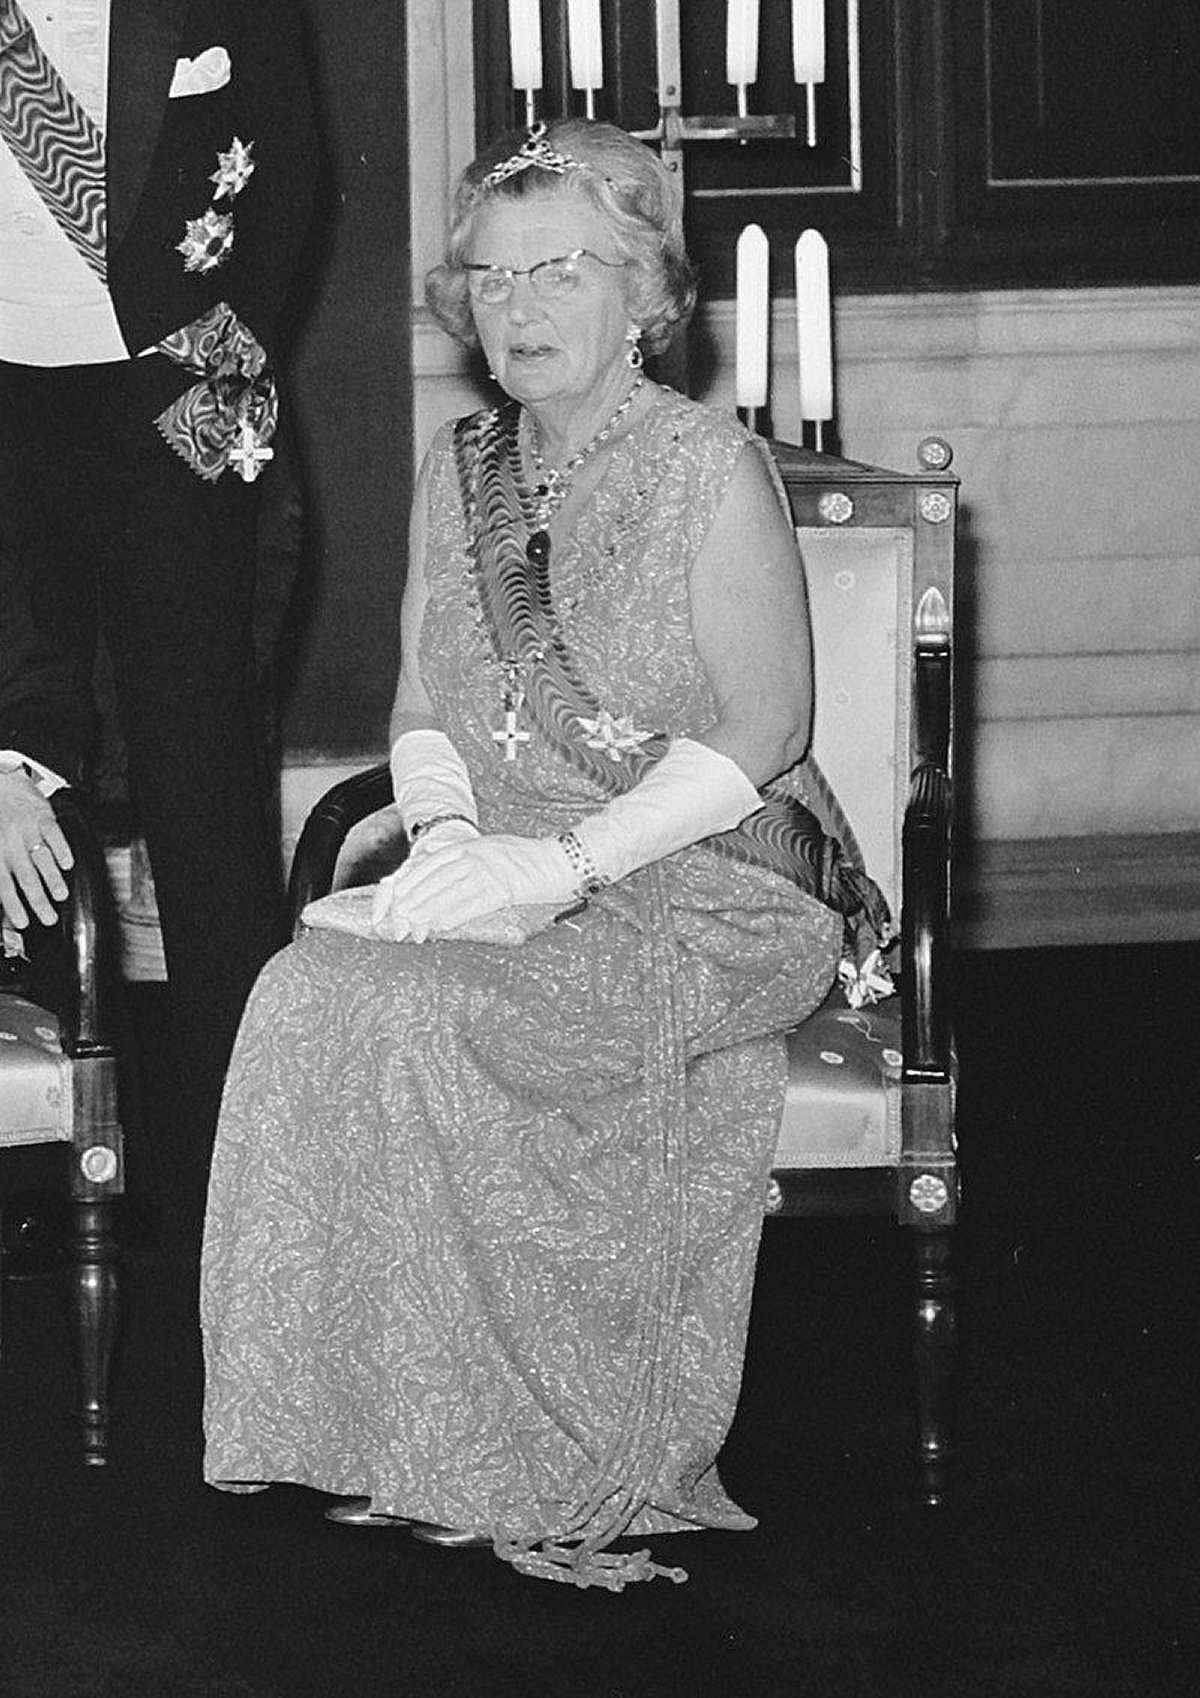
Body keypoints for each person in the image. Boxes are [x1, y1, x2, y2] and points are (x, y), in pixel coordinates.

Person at [200, 119, 889, 1594]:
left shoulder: (711, 466)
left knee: (457, 1014)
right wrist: (452, 841)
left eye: (556, 272)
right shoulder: (461, 470)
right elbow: (418, 704)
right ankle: (388, 1431)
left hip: (711, 879)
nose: (513, 308)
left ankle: (546, 1452)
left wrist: (557, 869)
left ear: (643, 293)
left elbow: (767, 730)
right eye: (489, 278)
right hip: (516, 859)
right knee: (306, 995)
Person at [0, 0, 318, 1250]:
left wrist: (203, 424)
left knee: (204, 810)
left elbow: (283, 185)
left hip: (174, 399)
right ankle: (56, 1165)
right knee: (24, 763)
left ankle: (251, 1209)